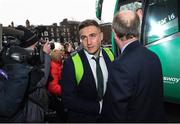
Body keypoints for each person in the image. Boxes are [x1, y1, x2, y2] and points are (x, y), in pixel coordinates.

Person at [101, 10, 166, 122]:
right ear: (138, 30)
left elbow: (116, 113)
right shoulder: (153, 57)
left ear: (115, 34)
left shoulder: (119, 65)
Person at [61, 19, 114, 122]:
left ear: (101, 36)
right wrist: (99, 107)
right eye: (84, 38)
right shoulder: (71, 63)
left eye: (92, 35)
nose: (89, 42)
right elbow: (68, 99)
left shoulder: (110, 55)